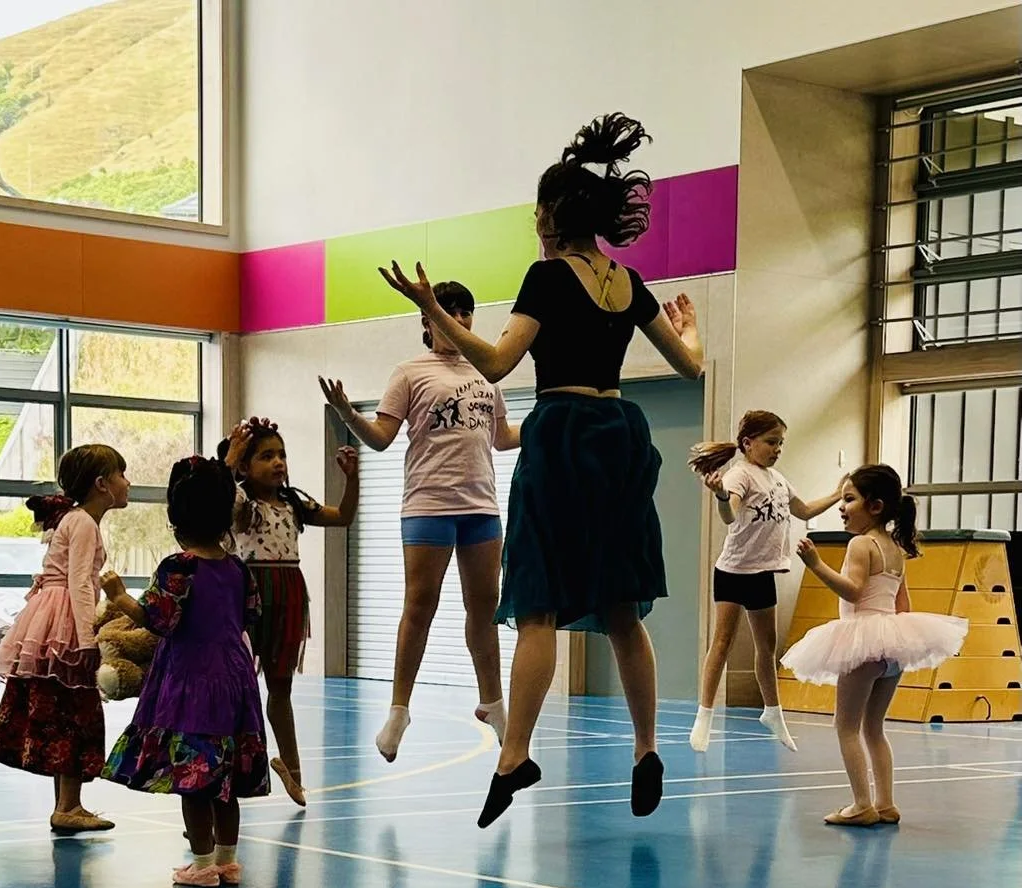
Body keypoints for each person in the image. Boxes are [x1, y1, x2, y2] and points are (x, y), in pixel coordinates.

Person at [380, 112, 704, 826]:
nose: (534, 220)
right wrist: (690, 329)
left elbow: (495, 361)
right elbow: (691, 363)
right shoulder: (628, 282)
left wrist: (434, 308)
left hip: (560, 434)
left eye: (537, 209)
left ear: (555, 215)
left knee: (538, 607)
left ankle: (515, 752)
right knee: (623, 608)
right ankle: (647, 747)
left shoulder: (547, 277)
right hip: (620, 433)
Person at [319, 280, 520, 762]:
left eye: (466, 313)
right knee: (420, 604)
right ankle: (399, 707)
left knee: (484, 606)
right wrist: (348, 412)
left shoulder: (486, 372)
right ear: (428, 323)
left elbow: (502, 438)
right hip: (428, 504)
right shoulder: (410, 372)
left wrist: (548, 423)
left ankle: (492, 701)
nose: (460, 321)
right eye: (448, 314)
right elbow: (383, 437)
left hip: (481, 507)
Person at [101, 455, 270, 885]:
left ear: (176, 519)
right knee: (225, 778)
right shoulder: (236, 569)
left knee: (193, 777)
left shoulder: (179, 567)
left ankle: (201, 864)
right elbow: (251, 614)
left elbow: (159, 620)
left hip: (192, 680)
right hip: (234, 678)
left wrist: (119, 597)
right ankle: (228, 861)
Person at [781, 465, 967, 826]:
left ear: (875, 506)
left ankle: (861, 804)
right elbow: (903, 608)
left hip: (863, 642)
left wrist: (816, 564)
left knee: (846, 726)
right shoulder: (895, 549)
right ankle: (886, 802)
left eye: (849, 499)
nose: (841, 506)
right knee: (874, 728)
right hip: (893, 646)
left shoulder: (860, 544)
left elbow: (852, 590)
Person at [0, 443, 129, 834]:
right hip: (64, 620)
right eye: (121, 475)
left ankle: (67, 804)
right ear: (102, 484)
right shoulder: (83, 523)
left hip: (51, 616)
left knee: (63, 707)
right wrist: (87, 638)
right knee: (77, 710)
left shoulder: (74, 519)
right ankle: (68, 805)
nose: (127, 482)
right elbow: (80, 582)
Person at [219, 417, 359, 805]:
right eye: (266, 456)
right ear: (245, 467)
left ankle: (293, 771)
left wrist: (352, 480)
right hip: (247, 595)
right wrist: (229, 459)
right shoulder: (241, 502)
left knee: (281, 687)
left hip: (289, 594)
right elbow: (220, 497)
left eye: (281, 455)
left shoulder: (293, 501)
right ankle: (219, 781)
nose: (278, 462)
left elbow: (342, 517)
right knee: (238, 689)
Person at [687, 410, 844, 753]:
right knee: (722, 642)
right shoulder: (739, 476)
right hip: (733, 571)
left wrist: (837, 493)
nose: (777, 449)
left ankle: (773, 713)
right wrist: (719, 498)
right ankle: (704, 715)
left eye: (780, 444)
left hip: (763, 573)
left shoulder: (777, 479)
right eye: (771, 442)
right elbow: (730, 515)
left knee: (767, 648)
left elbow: (803, 510)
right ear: (748, 443)